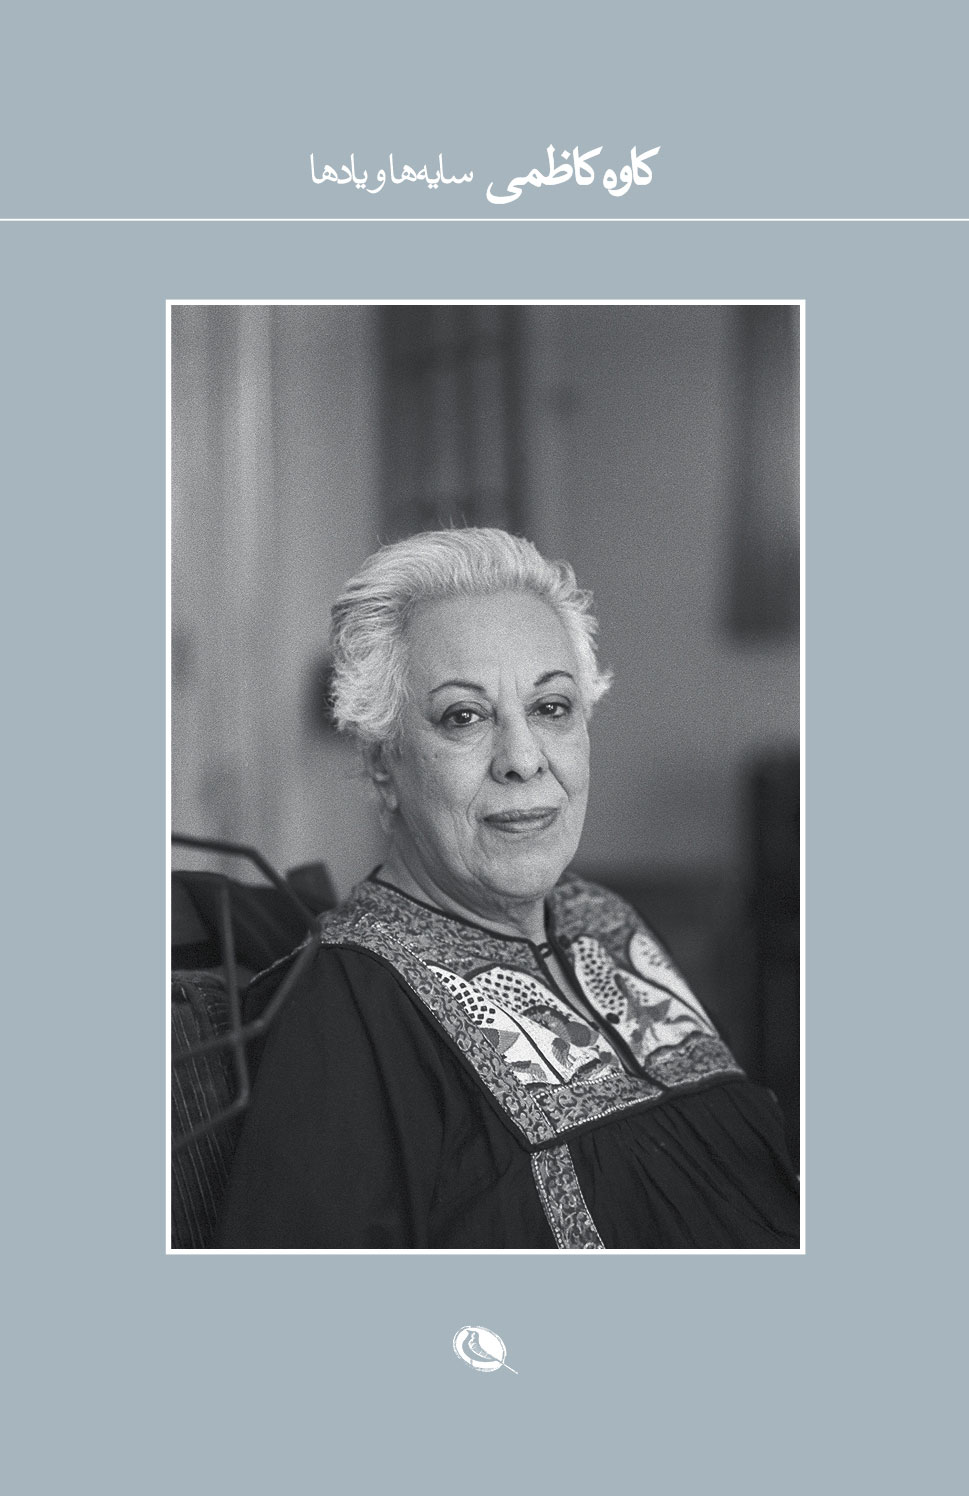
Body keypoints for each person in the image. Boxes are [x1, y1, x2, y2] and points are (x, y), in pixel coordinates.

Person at [217, 528, 799, 1249]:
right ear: (382, 766)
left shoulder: (602, 918)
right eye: (463, 717)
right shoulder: (346, 1012)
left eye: (551, 707)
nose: (522, 758)